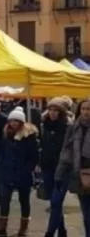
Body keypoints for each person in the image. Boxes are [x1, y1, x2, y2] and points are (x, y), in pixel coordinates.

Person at [0, 107, 39, 236]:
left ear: (22, 122)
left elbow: (33, 157)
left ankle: (23, 228)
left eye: (17, 121)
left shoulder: (29, 137)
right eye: (12, 120)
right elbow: (4, 152)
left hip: (23, 174)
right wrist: (1, 166)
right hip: (7, 172)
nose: (14, 123)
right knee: (5, 199)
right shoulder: (7, 135)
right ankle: (2, 226)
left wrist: (26, 170)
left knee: (24, 201)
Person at [55, 98, 90, 237]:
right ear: (79, 110)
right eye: (83, 109)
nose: (86, 112)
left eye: (89, 109)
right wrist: (59, 174)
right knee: (87, 214)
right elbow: (66, 151)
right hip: (80, 175)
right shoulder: (73, 128)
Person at [43, 96, 72, 237]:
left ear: (61, 112)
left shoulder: (68, 128)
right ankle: (62, 231)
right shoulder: (45, 125)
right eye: (50, 109)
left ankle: (49, 233)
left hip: (63, 170)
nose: (53, 112)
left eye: (56, 110)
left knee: (55, 202)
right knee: (54, 203)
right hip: (47, 167)